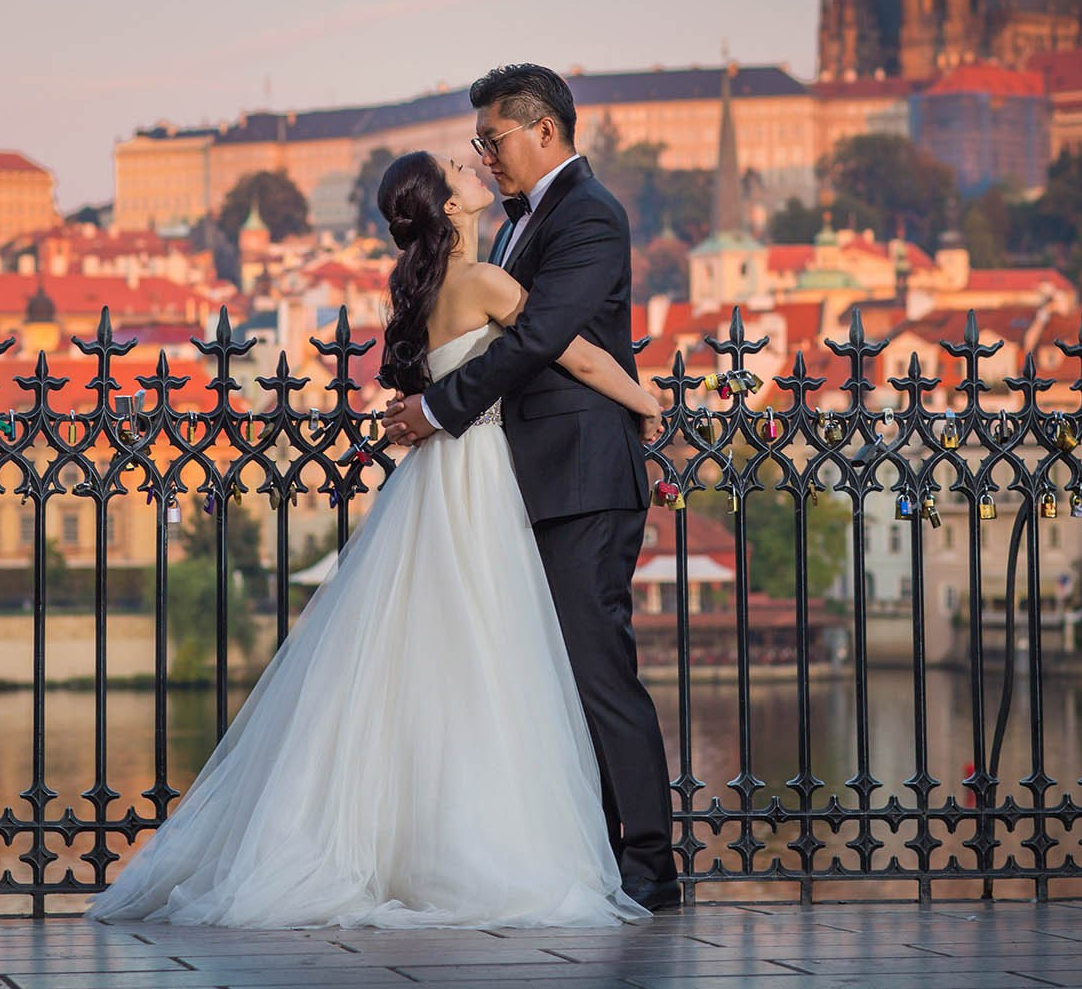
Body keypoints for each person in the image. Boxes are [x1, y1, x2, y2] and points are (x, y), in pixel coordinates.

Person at [91, 146, 662, 928]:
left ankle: (407, 840)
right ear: (451, 209)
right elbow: (575, 351)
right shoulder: (488, 278)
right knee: (491, 653)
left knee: (419, 660)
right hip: (485, 475)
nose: (477, 169)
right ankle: (502, 843)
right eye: (462, 173)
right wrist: (646, 399)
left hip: (431, 482)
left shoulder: (423, 289)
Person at [383, 63, 679, 913]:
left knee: (596, 672)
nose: (483, 155)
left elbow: (547, 334)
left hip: (584, 479)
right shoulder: (512, 228)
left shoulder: (589, 213)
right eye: (476, 143)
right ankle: (591, 853)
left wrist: (440, 406)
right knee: (552, 678)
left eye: (492, 138)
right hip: (529, 480)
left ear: (542, 130)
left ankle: (650, 867)